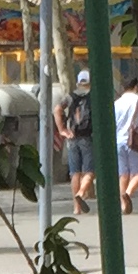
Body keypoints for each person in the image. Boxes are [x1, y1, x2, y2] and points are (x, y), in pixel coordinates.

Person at [114, 65, 138, 214]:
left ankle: (122, 205)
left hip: (119, 141)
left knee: (123, 175)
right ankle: (127, 194)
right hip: (135, 142)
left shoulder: (116, 103)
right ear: (136, 86)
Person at [60, 71, 94, 212]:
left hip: (72, 138)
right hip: (87, 137)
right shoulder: (93, 96)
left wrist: (62, 129)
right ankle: (81, 192)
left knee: (75, 173)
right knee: (90, 172)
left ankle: (76, 207)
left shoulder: (70, 96)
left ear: (78, 82)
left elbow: (57, 109)